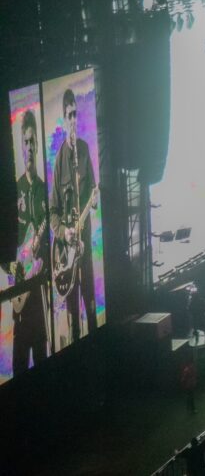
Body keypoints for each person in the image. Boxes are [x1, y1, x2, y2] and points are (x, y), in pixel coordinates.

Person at [49, 88, 99, 346]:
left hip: (85, 249)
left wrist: (95, 200)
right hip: (67, 256)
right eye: (68, 115)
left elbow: (94, 191)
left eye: (75, 114)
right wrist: (63, 232)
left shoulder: (85, 149)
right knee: (73, 321)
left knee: (91, 307)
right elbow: (53, 212)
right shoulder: (59, 162)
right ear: (63, 117)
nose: (72, 120)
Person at [6, 109, 50, 374]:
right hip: (20, 299)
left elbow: (48, 244)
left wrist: (41, 261)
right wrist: (11, 267)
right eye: (26, 141)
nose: (30, 147)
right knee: (19, 366)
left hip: (39, 302)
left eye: (33, 141)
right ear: (21, 146)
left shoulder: (44, 190)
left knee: (43, 363)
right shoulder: (14, 191)